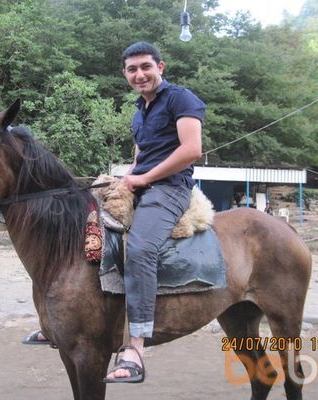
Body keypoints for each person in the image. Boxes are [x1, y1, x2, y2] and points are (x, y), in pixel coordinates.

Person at [103, 41, 206, 384]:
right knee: (89, 228)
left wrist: (145, 178)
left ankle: (136, 347)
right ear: (125, 74)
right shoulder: (138, 112)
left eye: (146, 66)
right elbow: (141, 155)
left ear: (160, 67)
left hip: (170, 188)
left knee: (141, 247)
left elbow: (192, 149)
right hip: (141, 183)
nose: (140, 74)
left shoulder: (181, 99)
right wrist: (127, 177)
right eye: (132, 69)